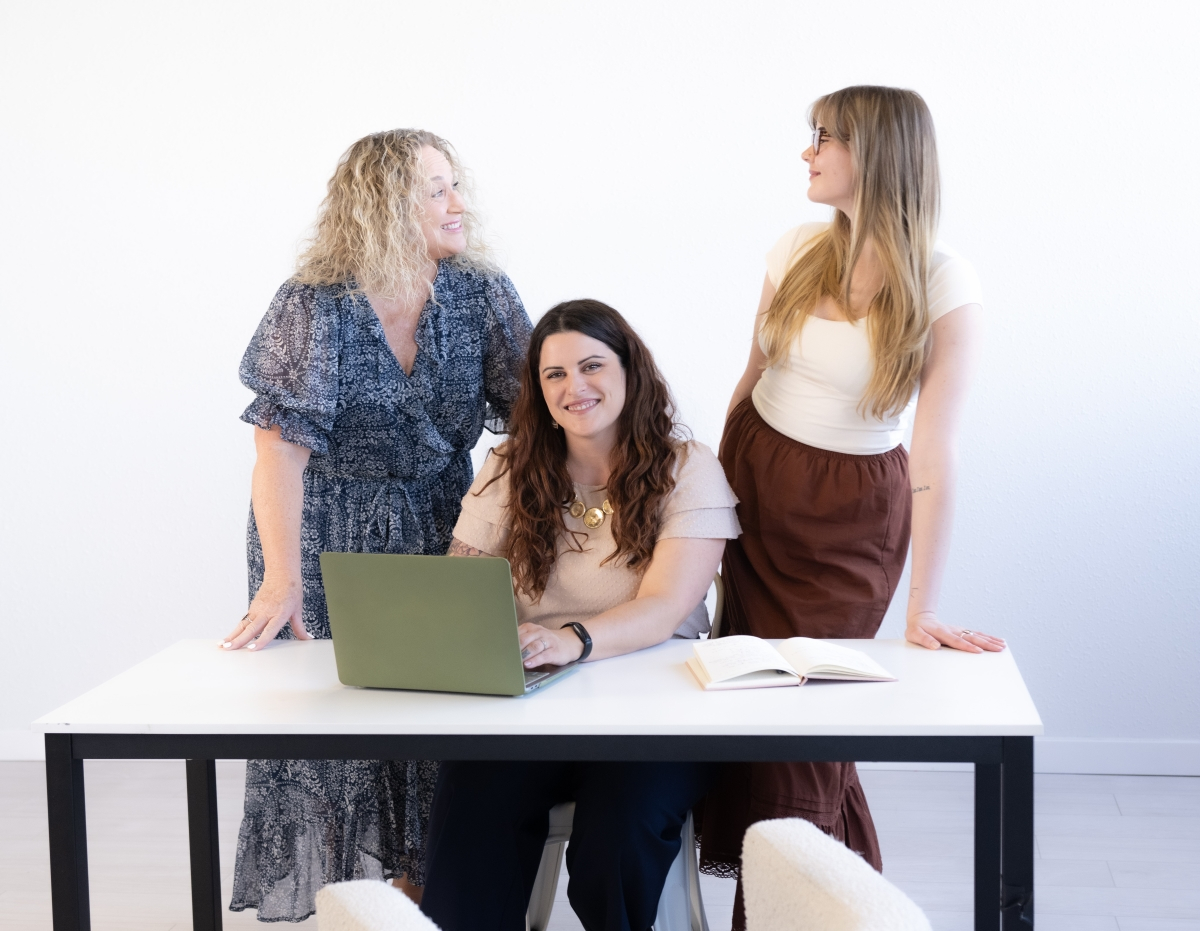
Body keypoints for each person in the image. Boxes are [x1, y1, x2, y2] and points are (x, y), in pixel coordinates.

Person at [697, 86, 1008, 928]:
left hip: (851, 520)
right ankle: (824, 906)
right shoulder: (796, 245)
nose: (808, 153)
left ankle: (805, 909)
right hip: (755, 486)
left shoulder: (945, 280)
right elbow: (748, 380)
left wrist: (924, 605)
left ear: (875, 154)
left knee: (809, 732)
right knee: (761, 716)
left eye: (823, 138)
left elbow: (936, 448)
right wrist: (705, 509)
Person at [221, 129, 532, 922]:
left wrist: (511, 541)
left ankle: (426, 900)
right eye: (437, 189)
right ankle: (350, 906)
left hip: (445, 526)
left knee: (438, 726)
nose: (459, 203)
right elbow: (280, 453)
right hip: (325, 535)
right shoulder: (315, 302)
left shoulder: (481, 293)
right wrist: (283, 577)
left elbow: (531, 426)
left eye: (455, 184)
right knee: (334, 734)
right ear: (385, 205)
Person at [419, 300, 741, 931]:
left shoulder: (688, 468)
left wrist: (574, 639)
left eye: (591, 366)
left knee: (615, 837)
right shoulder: (510, 469)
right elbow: (459, 585)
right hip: (531, 707)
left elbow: (662, 609)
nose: (575, 388)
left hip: (658, 716)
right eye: (554, 375)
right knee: (471, 815)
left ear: (630, 371)